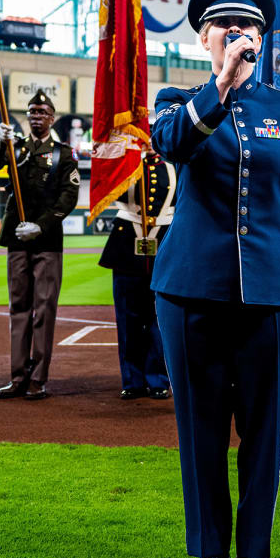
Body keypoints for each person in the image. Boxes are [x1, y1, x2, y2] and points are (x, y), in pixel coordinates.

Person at [149, 0, 280, 558]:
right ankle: (206, 554)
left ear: (264, 38)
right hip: (191, 288)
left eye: (249, 28)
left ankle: (254, 553)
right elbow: (172, 147)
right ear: (204, 40)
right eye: (226, 29)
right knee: (199, 428)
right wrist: (222, 84)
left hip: (273, 292)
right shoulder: (177, 101)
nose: (239, 35)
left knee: (263, 428)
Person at [0, 91, 80, 401]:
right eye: (31, 111)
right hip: (17, 239)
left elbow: (69, 196)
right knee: (19, 309)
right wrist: (2, 142)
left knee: (44, 310)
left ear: (52, 118)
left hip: (46, 240)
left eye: (42, 111)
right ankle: (16, 377)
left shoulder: (64, 154)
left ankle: (38, 378)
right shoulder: (16, 147)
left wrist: (41, 225)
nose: (36, 116)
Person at [97, 148, 174, 400]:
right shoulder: (124, 167)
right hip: (126, 246)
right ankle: (132, 380)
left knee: (159, 320)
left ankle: (158, 379)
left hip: (163, 244)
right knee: (128, 319)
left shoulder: (175, 167)